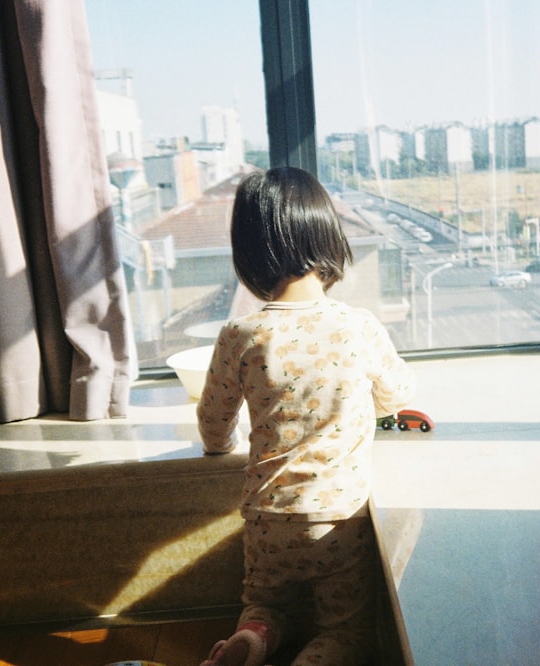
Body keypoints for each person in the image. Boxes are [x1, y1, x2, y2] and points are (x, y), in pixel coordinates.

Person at [197, 167, 415, 666]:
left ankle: (252, 639)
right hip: (336, 519)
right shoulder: (356, 326)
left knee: (267, 605)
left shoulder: (241, 335)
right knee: (346, 631)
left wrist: (221, 445)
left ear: (248, 255)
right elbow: (398, 394)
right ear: (329, 238)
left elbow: (214, 428)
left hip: (266, 517)